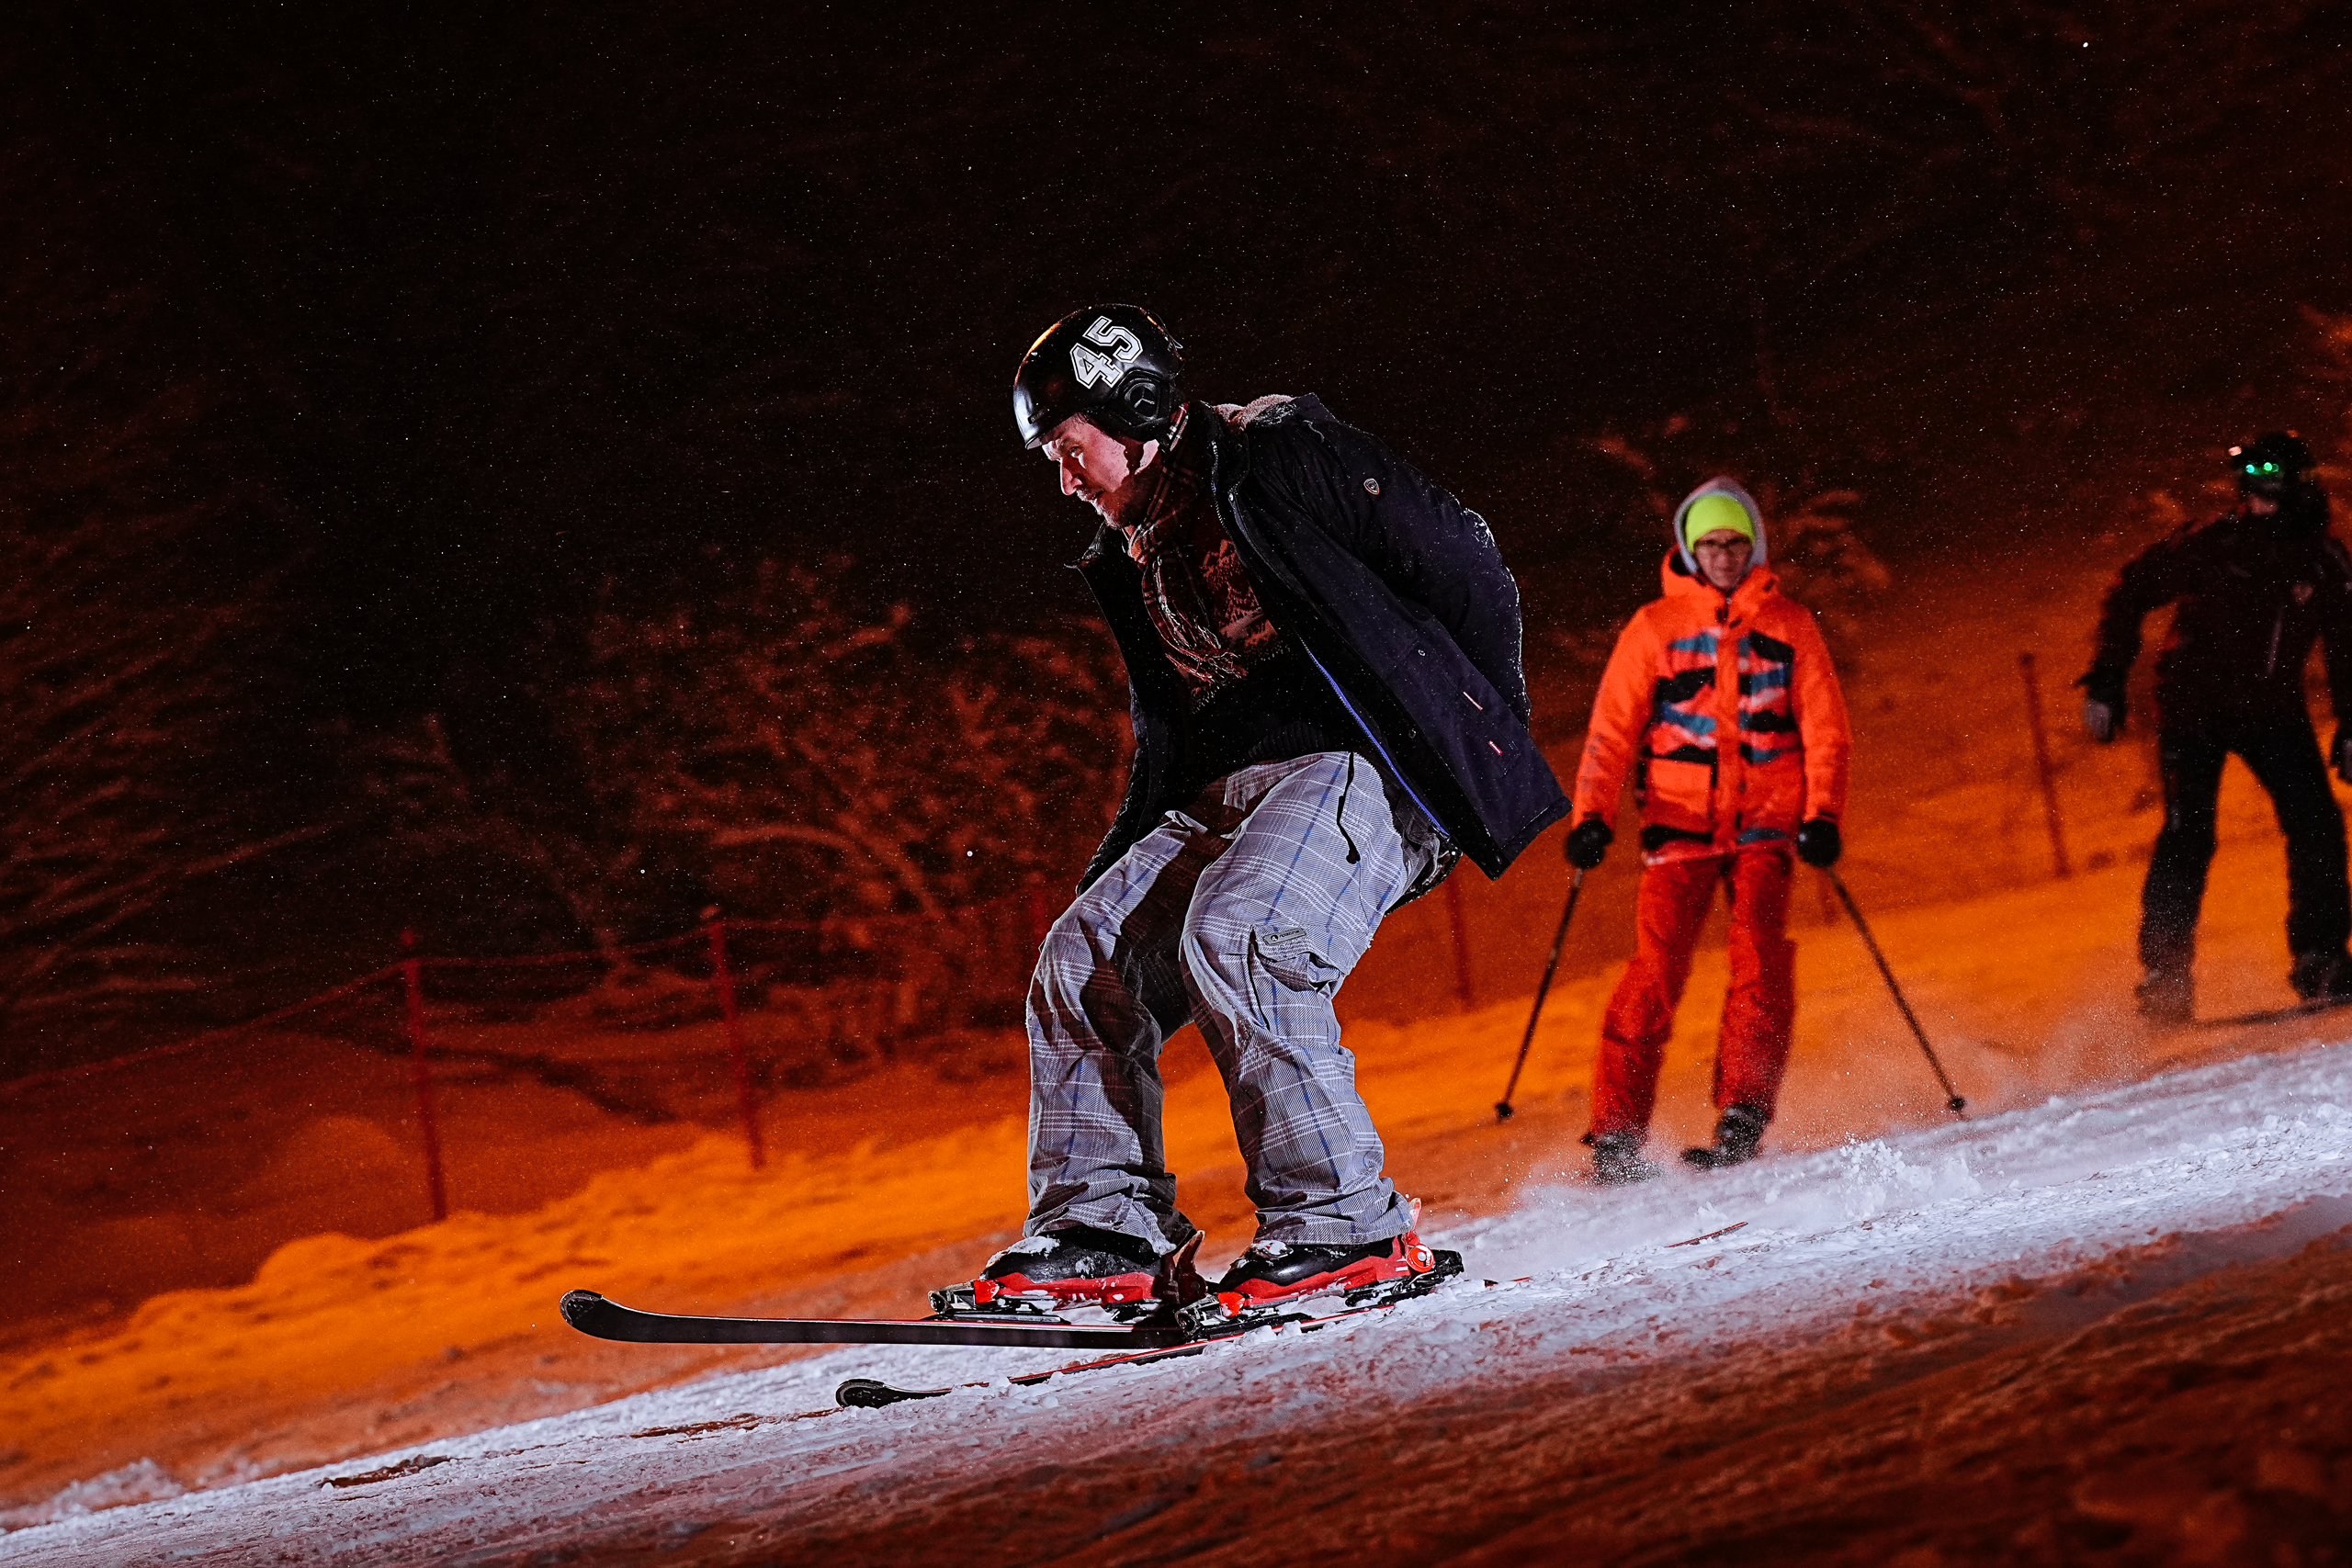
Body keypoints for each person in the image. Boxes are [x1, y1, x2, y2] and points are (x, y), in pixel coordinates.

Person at [937, 303, 1566, 1320]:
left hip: (1362, 761)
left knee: (1245, 935)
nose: (1065, 480)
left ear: (1135, 410)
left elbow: (1463, 557)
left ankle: (1344, 1228)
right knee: (1081, 962)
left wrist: (1470, 728)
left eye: (1070, 450)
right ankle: (1104, 1233)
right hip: (1232, 787)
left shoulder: (1277, 453)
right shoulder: (1134, 548)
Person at [1563, 479, 1852, 1183]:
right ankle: (1616, 1136)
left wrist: (1822, 815)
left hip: (1766, 823)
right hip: (1679, 826)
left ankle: (1743, 1114)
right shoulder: (1654, 627)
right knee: (1656, 970)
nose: (1724, 555)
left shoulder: (1790, 624)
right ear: (1691, 550)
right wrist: (1592, 816)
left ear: (1755, 546)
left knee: (1759, 961)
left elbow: (1826, 728)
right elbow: (1611, 732)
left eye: (1736, 542)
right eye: (1712, 544)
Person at [2078, 431, 2352, 1024]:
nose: (2254, 501)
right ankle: (2165, 978)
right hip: (2193, 707)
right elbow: (2131, 589)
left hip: (2272, 710)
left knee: (2316, 823)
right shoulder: (2214, 542)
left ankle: (2321, 958)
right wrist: (2107, 678)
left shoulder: (2324, 561)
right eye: (2247, 489)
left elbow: (2346, 647)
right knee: (2189, 834)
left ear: (2299, 488)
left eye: (2267, 489)